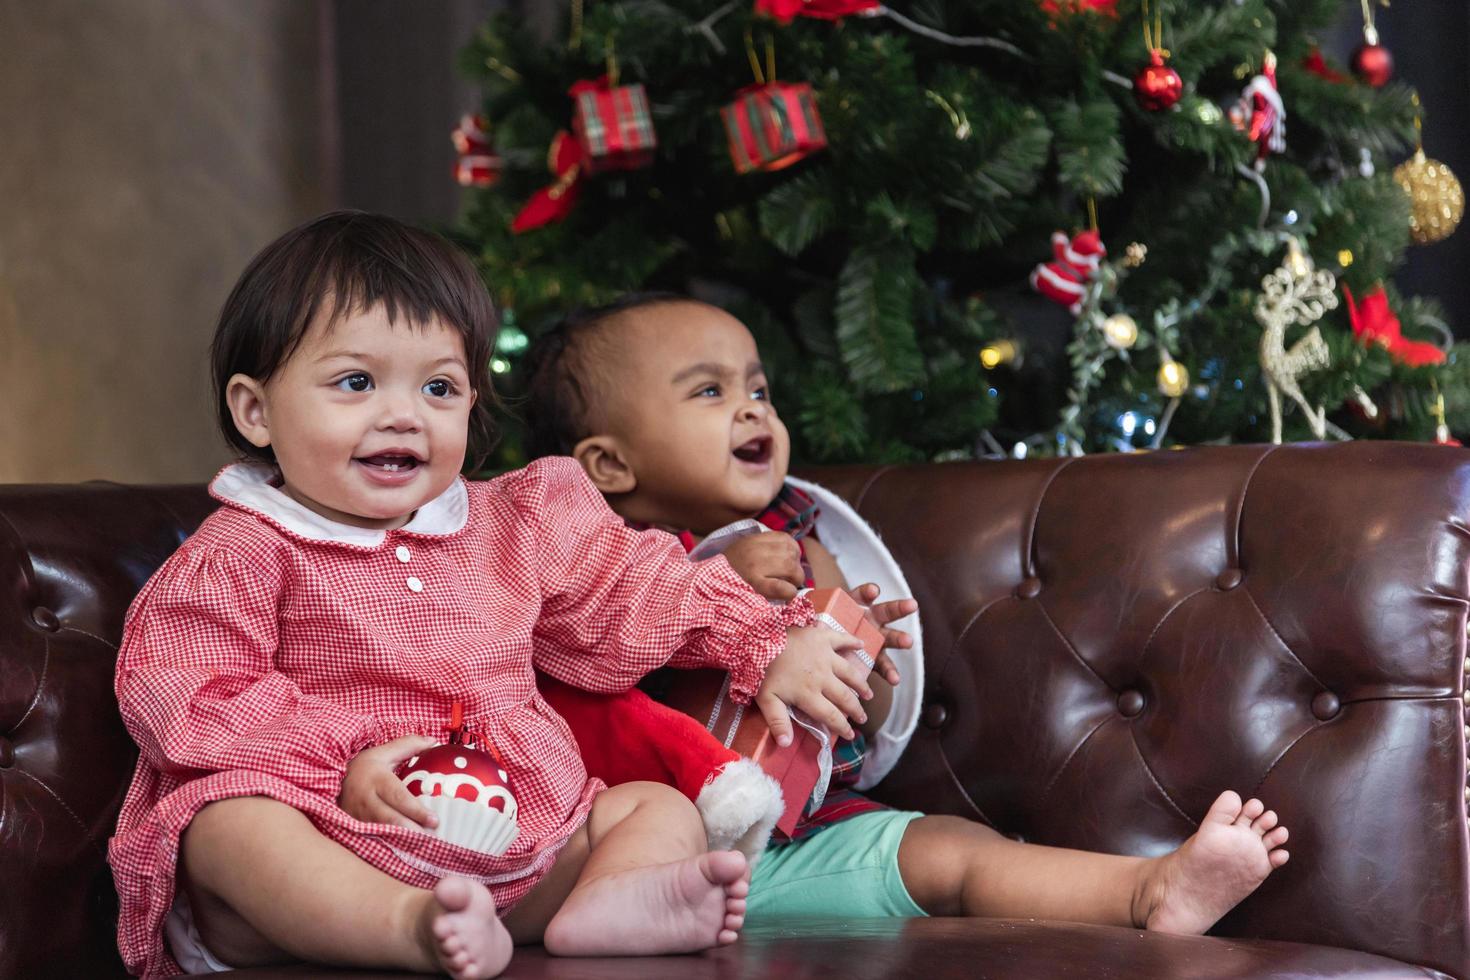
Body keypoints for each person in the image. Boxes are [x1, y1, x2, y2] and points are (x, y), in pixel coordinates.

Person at [108, 213, 875, 979]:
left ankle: (609, 903)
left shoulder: (515, 523)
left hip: (516, 846)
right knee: (225, 826)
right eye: (355, 382)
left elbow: (632, 588)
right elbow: (192, 694)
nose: (404, 414)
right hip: (336, 832)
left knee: (652, 806)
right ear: (256, 411)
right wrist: (339, 764)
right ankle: (407, 927)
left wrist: (764, 638)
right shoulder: (243, 553)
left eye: (439, 387)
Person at [522, 292, 1292, 931]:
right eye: (709, 391)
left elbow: (869, 714)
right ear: (610, 464)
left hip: (788, 851)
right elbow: (584, 675)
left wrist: (853, 641)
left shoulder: (799, 535)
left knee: (954, 855)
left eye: (759, 390)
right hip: (636, 858)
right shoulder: (583, 561)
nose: (753, 412)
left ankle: (1146, 892)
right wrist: (710, 588)